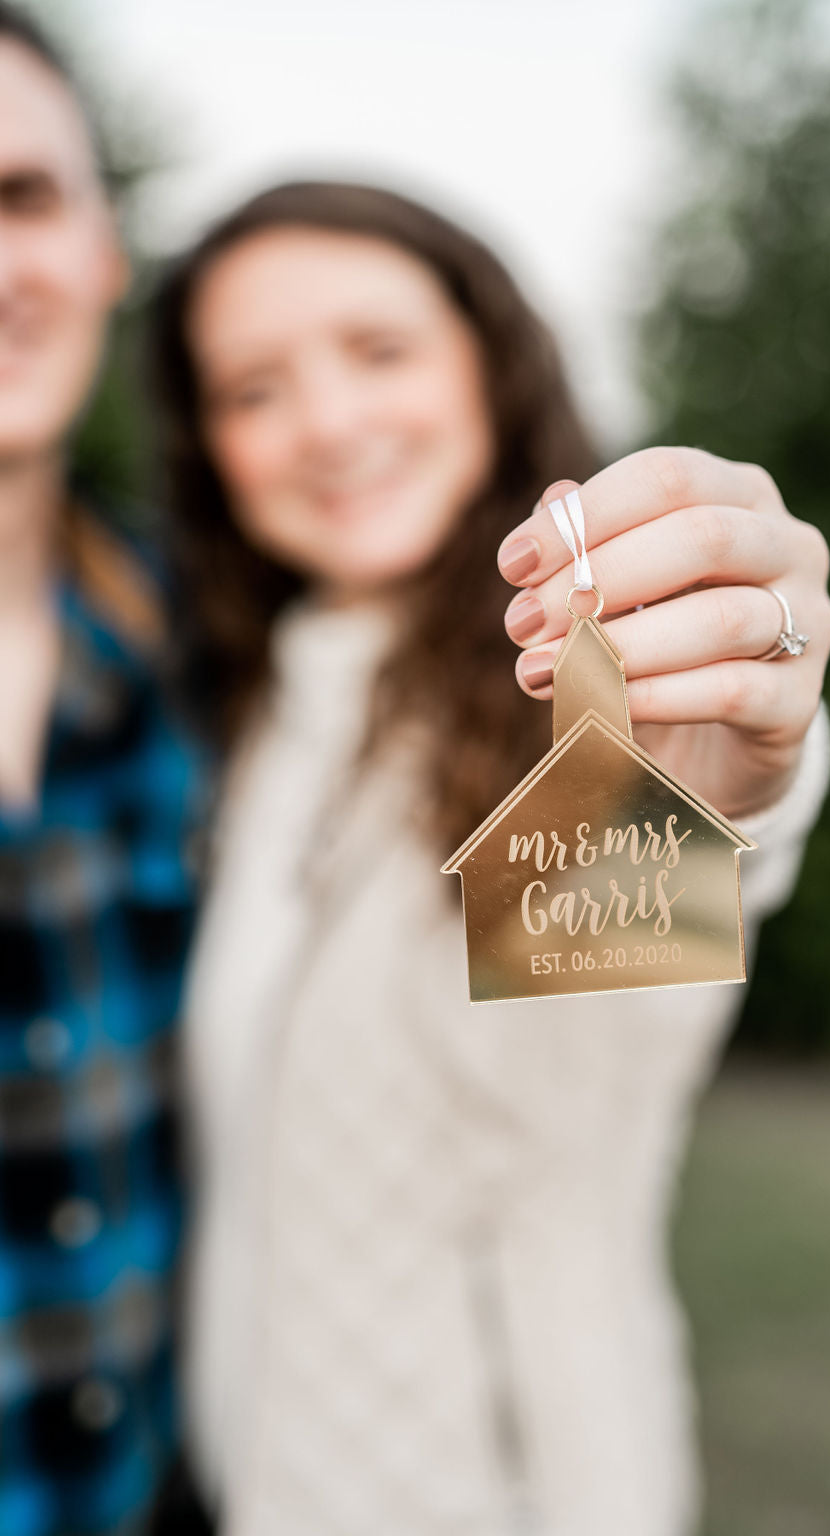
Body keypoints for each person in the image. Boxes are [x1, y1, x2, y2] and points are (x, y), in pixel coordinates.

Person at [149, 180, 830, 1536]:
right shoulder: (253, 709)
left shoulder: (570, 686)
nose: (328, 423)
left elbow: (633, 929)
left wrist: (715, 777)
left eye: (379, 351)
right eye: (254, 389)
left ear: (491, 361)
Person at [0, 8, 203, 1534]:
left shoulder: (206, 653)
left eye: (23, 197)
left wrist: (743, 772)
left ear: (105, 249)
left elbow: (578, 972)